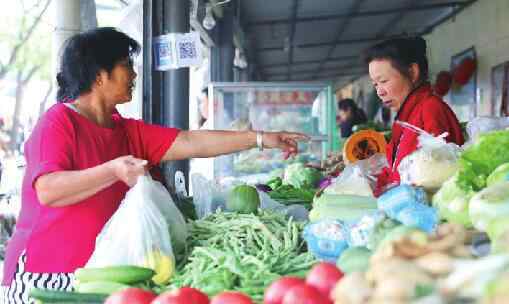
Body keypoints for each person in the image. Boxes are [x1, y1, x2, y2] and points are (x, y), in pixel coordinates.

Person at [1, 27, 307, 304]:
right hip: (46, 277)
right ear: (99, 75)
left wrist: (262, 138)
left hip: (104, 274)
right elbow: (48, 190)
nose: (134, 74)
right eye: (126, 65)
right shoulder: (58, 122)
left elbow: (191, 142)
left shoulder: (126, 130)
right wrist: (113, 170)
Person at [364, 36, 465, 196]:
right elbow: (396, 170)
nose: (379, 92)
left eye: (383, 81)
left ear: (412, 72)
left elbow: (440, 178)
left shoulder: (430, 109)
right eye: (375, 84)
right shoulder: (405, 117)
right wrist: (367, 182)